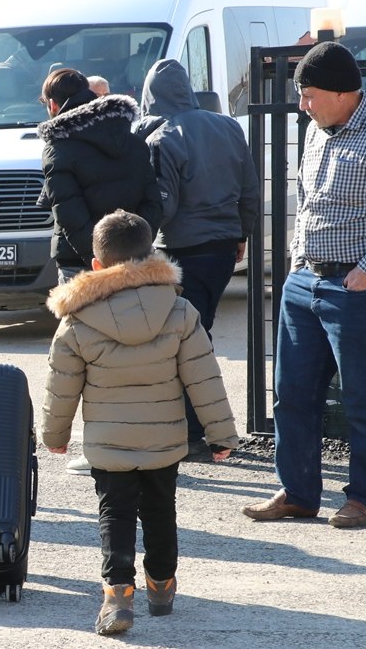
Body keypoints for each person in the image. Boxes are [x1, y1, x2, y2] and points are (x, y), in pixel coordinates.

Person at [242, 41, 366, 529]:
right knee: (292, 394)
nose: (303, 105)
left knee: (364, 399)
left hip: (362, 287)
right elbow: (311, 204)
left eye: (309, 94)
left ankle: (364, 498)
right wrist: (300, 263)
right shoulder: (319, 129)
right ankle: (299, 493)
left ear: (343, 92)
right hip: (305, 283)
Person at [41, 209, 238, 636]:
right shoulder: (180, 310)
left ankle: (117, 595)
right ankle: (162, 585)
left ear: (96, 265)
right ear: (152, 255)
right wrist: (221, 436)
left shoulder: (77, 320)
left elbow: (62, 388)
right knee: (160, 509)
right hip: (164, 439)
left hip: (108, 443)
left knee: (115, 513)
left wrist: (54, 437)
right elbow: (204, 379)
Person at [36, 67, 163, 476]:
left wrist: (99, 263)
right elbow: (152, 198)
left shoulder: (59, 145)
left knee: (83, 356)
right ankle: (145, 440)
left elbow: (70, 218)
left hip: (83, 264)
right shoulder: (129, 136)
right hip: (135, 257)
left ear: (54, 105)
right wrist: (134, 250)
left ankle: (101, 446)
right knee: (138, 351)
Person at [134, 58, 259, 458]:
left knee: (186, 341)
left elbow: (164, 207)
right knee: (199, 333)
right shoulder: (228, 125)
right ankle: (199, 426)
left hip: (183, 250)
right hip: (223, 248)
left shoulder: (163, 138)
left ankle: (191, 431)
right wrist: (242, 232)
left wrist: (137, 243)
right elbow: (250, 188)